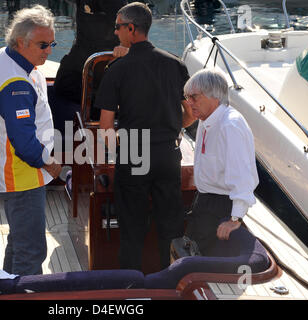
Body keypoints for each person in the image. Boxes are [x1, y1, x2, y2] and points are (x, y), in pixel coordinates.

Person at [94, 2, 195, 271]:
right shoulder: (176, 65)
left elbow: (105, 127)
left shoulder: (116, 70)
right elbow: (191, 113)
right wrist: (174, 130)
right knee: (170, 227)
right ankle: (171, 282)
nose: (115, 33)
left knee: (131, 228)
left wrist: (119, 151)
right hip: (167, 154)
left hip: (133, 153)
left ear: (130, 29)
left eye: (117, 28)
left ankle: (131, 286)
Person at [0, 5, 62, 276]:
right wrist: (49, 162)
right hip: (21, 175)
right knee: (31, 249)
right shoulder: (16, 84)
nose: (49, 51)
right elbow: (23, 142)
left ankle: (7, 290)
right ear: (21, 42)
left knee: (19, 240)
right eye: (43, 45)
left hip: (4, 166)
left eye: (52, 43)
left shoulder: (1, 56)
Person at [183, 69, 259, 255]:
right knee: (192, 251)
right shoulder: (206, 119)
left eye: (193, 97)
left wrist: (234, 219)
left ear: (213, 96)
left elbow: (243, 175)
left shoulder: (230, 125)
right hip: (205, 200)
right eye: (186, 97)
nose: (189, 102)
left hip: (221, 206)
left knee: (204, 258)